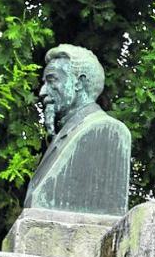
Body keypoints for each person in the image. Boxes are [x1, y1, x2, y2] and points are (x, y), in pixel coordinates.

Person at [25, 44, 132, 216]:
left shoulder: (107, 131)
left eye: (52, 81)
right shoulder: (64, 135)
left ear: (79, 83)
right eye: (44, 83)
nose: (42, 92)